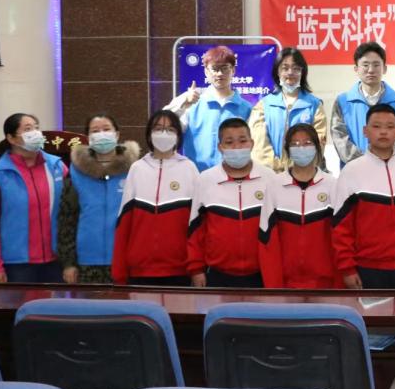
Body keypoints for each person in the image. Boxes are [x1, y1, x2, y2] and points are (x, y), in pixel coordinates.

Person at [332, 104, 395, 289]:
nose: (383, 132)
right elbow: (341, 227)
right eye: (376, 126)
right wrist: (347, 268)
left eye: (390, 127)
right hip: (367, 269)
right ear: (365, 131)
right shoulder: (351, 171)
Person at [112, 110, 199, 286]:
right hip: (140, 270)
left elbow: (198, 225)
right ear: (149, 134)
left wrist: (197, 268)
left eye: (170, 129)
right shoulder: (137, 168)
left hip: (179, 270)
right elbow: (124, 223)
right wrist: (119, 272)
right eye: (158, 128)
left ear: (178, 136)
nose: (164, 133)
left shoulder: (189, 169)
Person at [187, 117, 276, 288]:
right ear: (220, 147)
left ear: (252, 143)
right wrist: (196, 269)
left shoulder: (269, 178)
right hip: (217, 276)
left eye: (242, 141)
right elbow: (195, 230)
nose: (236, 147)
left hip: (261, 275)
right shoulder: (205, 180)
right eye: (229, 142)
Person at [0, 113, 68, 283]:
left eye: (36, 128)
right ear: (11, 138)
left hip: (56, 260)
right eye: (28, 129)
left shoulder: (57, 166)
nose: (35, 133)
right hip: (17, 264)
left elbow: (71, 213)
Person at [57, 113, 140, 284]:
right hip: (86, 261)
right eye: (95, 131)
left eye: (106, 129)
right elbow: (67, 219)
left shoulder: (135, 170)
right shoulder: (76, 172)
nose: (101, 134)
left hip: (126, 258)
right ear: (88, 137)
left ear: (117, 134)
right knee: (91, 302)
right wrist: (68, 263)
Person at [259, 122, 341, 288]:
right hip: (286, 285)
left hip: (325, 284)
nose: (301, 148)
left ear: (317, 147)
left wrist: (338, 286)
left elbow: (340, 239)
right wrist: (274, 287)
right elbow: (267, 240)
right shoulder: (275, 185)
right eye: (295, 144)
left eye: (307, 143)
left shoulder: (333, 185)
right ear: (287, 149)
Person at [165, 45, 252, 171]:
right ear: (206, 71)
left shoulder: (246, 108)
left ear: (233, 70)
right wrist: (183, 102)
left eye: (225, 68)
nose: (220, 74)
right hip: (196, 176)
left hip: (233, 175)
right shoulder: (192, 104)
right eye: (215, 69)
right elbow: (162, 124)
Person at [249, 47, 327, 172]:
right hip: (271, 175)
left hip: (304, 174)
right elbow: (259, 147)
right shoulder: (263, 106)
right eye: (285, 68)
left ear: (302, 72)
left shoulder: (314, 105)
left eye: (296, 68)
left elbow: (318, 144)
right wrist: (279, 168)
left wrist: (296, 170)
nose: (290, 72)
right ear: (277, 72)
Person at [331, 42, 395, 166]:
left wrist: (382, 159)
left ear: (384, 68)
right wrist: (364, 163)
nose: (371, 70)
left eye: (376, 65)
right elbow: (339, 138)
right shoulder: (343, 102)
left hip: (389, 168)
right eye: (365, 65)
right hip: (353, 171)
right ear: (356, 69)